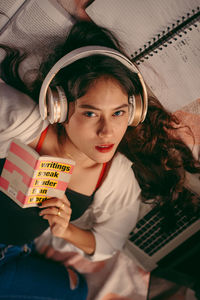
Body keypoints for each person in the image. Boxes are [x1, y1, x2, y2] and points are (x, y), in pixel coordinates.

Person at [0, 20, 199, 299]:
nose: (107, 132)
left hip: (12, 253)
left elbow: (108, 242)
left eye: (118, 113)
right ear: (58, 107)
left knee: (77, 291)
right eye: (90, 113)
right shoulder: (19, 120)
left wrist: (66, 229)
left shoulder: (114, 176)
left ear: (133, 113)